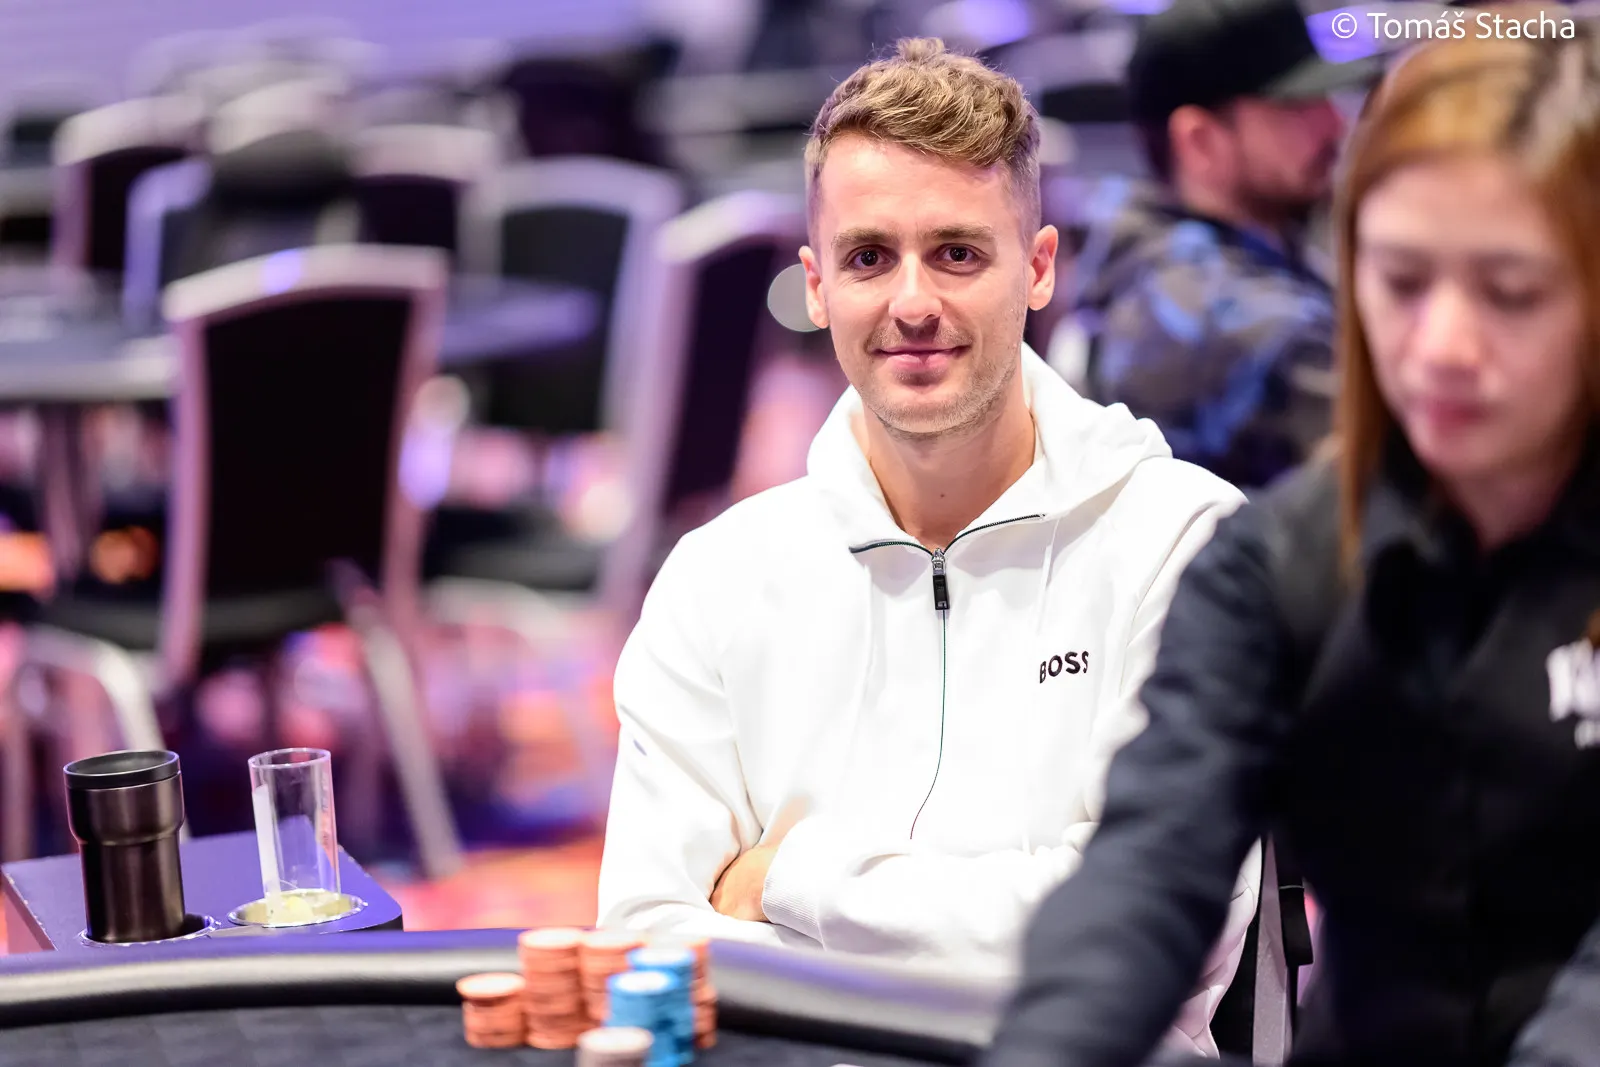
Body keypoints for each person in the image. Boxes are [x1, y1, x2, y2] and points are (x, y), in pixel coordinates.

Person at [597, 37, 1260, 1055]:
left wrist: (790, 881)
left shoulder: (1186, 543)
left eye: (956, 253)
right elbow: (645, 940)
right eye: (869, 257)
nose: (912, 304)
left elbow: (1142, 937)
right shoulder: (716, 577)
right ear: (816, 286)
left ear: (1038, 268)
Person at [984, 26, 1600, 1067]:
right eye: (1401, 281)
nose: (1441, 346)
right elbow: (1144, 881)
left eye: (1510, 291)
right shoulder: (1270, 566)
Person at [1063, 0, 1372, 490]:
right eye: (1294, 106)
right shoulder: (1255, 327)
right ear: (1200, 140)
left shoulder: (1145, 242)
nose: (1336, 123)